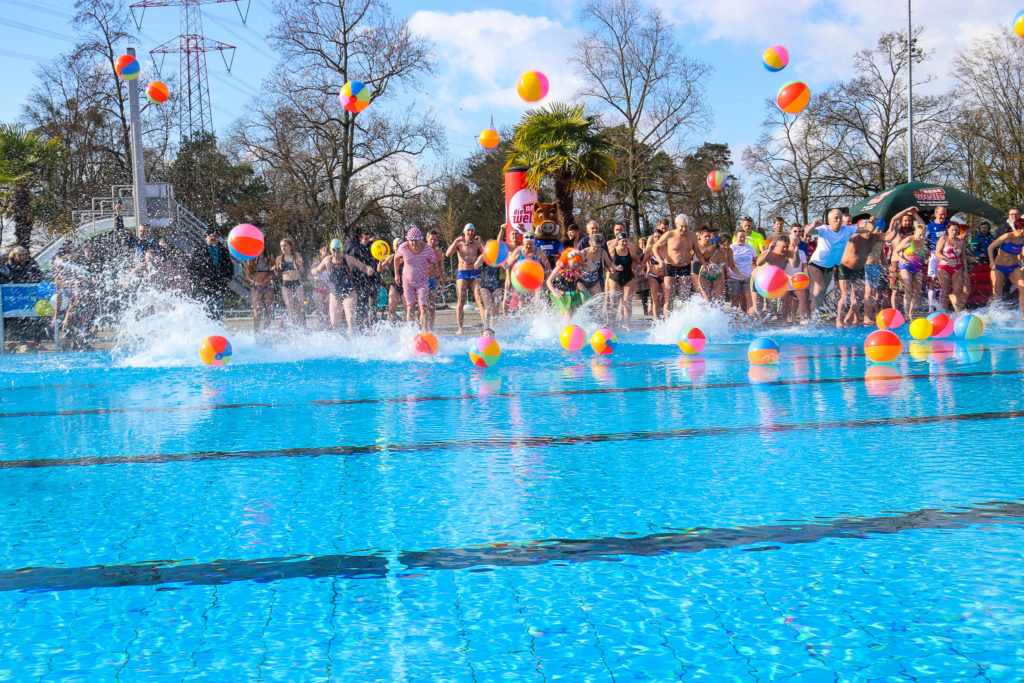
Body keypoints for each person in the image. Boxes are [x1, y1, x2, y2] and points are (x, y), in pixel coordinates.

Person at [311, 238, 377, 334]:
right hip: (334, 294)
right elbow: (318, 271)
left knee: (350, 319)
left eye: (338, 251)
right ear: (331, 251)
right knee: (334, 323)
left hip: (349, 292)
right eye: (334, 251)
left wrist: (368, 269)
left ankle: (353, 340)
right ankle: (342, 342)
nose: (336, 254)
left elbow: (362, 266)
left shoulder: (348, 259)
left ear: (341, 250)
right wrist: (313, 272)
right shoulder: (327, 260)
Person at [836, 219, 891, 327]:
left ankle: (850, 317)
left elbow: (881, 252)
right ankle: (839, 319)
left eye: (871, 230)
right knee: (845, 295)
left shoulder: (872, 239)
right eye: (866, 230)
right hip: (845, 266)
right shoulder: (854, 237)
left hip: (859, 267)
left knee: (858, 297)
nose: (869, 233)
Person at [805, 209, 858, 312]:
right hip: (816, 264)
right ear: (829, 220)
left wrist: (872, 224)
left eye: (840, 218)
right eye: (836, 218)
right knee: (819, 288)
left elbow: (866, 229)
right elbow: (809, 232)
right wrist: (813, 225)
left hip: (829, 267)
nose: (838, 220)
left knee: (823, 292)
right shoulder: (824, 229)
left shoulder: (847, 229)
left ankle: (815, 317)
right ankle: (811, 318)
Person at [653, 213, 704, 310]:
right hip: (670, 266)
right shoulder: (669, 235)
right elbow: (655, 247)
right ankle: (668, 322)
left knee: (684, 297)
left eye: (686, 227)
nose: (684, 229)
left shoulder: (692, 235)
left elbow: (697, 251)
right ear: (676, 225)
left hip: (685, 267)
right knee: (669, 297)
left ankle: (682, 321)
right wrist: (660, 260)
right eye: (682, 227)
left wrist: (704, 264)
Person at [186, 228, 235, 320]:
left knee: (218, 314)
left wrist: (228, 277)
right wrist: (199, 278)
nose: (213, 238)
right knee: (204, 313)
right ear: (206, 238)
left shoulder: (223, 250)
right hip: (204, 287)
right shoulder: (199, 250)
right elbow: (191, 268)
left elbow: (230, 266)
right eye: (211, 236)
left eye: (215, 236)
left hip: (219, 286)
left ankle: (217, 332)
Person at [394, 227, 438, 331]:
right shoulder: (403, 247)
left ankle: (424, 331)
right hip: (407, 281)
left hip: (422, 282)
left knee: (423, 307)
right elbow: (396, 258)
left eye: (416, 240)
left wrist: (436, 276)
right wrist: (397, 274)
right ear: (408, 240)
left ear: (421, 239)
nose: (414, 243)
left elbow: (434, 262)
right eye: (411, 241)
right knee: (410, 307)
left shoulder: (427, 249)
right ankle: (410, 331)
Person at [445, 223, 485, 335]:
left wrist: (481, 242)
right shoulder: (459, 243)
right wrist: (455, 241)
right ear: (464, 231)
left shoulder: (477, 244)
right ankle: (460, 328)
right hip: (462, 273)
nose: (470, 233)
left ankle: (485, 326)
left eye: (472, 231)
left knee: (479, 299)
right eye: (468, 230)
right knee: (461, 300)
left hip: (474, 272)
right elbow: (448, 254)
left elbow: (487, 254)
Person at [986, 218, 1024, 316]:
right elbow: (990, 247)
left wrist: (1021, 263)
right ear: (1017, 228)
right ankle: (991, 314)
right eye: (1021, 229)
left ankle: (1022, 316)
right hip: (999, 267)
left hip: (1014, 267)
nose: (1023, 231)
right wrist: (991, 262)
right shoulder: (1007, 236)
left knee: (1022, 289)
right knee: (996, 293)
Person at [504, 232, 550, 310]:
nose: (528, 246)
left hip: (536, 279)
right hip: (521, 280)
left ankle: (538, 319)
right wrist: (508, 278)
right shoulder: (519, 251)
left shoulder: (539, 252)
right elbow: (508, 265)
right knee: (522, 304)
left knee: (539, 301)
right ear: (523, 242)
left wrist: (548, 281)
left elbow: (547, 266)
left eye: (531, 245)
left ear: (534, 243)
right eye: (526, 245)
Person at [606, 226, 639, 330]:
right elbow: (606, 263)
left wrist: (634, 268)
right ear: (618, 241)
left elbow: (637, 260)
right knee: (614, 302)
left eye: (626, 241)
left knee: (627, 302)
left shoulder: (630, 251)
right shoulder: (612, 251)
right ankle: (611, 323)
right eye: (622, 241)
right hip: (615, 278)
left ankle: (627, 324)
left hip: (628, 277)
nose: (624, 243)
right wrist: (613, 268)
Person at [894, 223, 929, 320]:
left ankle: (911, 314)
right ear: (915, 233)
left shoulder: (922, 243)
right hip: (906, 266)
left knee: (917, 292)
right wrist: (902, 260)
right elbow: (895, 252)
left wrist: (926, 259)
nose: (922, 237)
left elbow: (921, 256)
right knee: (908, 290)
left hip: (917, 267)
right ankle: (906, 314)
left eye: (923, 235)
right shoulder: (909, 240)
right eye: (920, 234)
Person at [346, 229, 378, 329]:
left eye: (368, 238)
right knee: (359, 306)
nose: (367, 240)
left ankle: (359, 328)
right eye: (365, 238)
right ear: (360, 237)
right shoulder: (357, 248)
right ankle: (360, 328)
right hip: (357, 280)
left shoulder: (350, 244)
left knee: (358, 306)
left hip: (358, 281)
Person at [934, 222, 969, 315]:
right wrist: (947, 260)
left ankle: (956, 312)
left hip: (958, 267)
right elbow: (937, 253)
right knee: (945, 292)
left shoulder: (961, 241)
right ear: (948, 230)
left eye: (956, 230)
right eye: (952, 230)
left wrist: (965, 270)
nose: (954, 232)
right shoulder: (943, 239)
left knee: (957, 291)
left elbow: (963, 256)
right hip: (944, 266)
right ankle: (945, 312)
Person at [546, 249, 589, 320]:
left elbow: (587, 264)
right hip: (561, 294)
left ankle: (563, 326)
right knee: (568, 314)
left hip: (573, 293)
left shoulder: (577, 269)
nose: (576, 264)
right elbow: (548, 281)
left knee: (575, 313)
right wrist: (554, 292)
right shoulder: (560, 268)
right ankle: (566, 328)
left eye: (578, 262)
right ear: (568, 260)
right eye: (574, 262)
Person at [244, 245, 278, 333]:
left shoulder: (270, 259)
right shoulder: (250, 260)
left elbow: (275, 274)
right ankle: (256, 331)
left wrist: (270, 277)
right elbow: (247, 276)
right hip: (256, 287)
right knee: (257, 311)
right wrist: (255, 282)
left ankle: (267, 331)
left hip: (268, 287)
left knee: (268, 310)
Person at [641, 219, 669, 318]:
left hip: (666, 274)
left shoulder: (668, 244)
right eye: (662, 228)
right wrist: (645, 270)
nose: (657, 238)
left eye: (665, 228)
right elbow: (645, 260)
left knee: (666, 298)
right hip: (653, 274)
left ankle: (665, 318)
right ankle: (656, 320)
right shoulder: (650, 243)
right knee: (656, 298)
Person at [277, 238, 306, 327]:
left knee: (300, 308)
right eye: (281, 246)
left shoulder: (296, 255)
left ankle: (301, 327)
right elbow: (277, 274)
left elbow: (302, 271)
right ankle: (292, 327)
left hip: (297, 283)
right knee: (290, 308)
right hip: (286, 285)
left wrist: (300, 264)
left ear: (290, 246)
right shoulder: (279, 258)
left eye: (285, 245)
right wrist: (275, 270)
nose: (283, 248)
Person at [727, 229, 756, 315]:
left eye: (744, 237)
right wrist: (739, 275)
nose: (742, 238)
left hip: (748, 276)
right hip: (734, 277)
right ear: (736, 237)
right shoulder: (731, 248)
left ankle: (747, 316)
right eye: (740, 237)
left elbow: (756, 261)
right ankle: (734, 317)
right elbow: (730, 264)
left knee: (748, 297)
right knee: (735, 298)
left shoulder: (750, 248)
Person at [579, 233, 615, 298]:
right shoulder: (583, 252)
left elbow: (609, 263)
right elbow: (573, 264)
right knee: (585, 299)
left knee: (599, 300)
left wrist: (617, 268)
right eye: (594, 246)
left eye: (598, 247)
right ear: (591, 244)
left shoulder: (602, 252)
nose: (596, 249)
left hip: (594, 280)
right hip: (582, 280)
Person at [378, 239, 404, 323]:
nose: (398, 248)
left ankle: (409, 330)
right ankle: (390, 329)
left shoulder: (407, 256)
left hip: (406, 285)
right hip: (395, 285)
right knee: (391, 310)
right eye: (396, 247)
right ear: (393, 248)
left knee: (408, 310)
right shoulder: (391, 257)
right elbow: (379, 270)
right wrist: (380, 260)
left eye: (399, 246)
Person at [425, 230, 445, 330]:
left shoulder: (438, 251)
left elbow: (441, 267)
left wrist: (442, 281)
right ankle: (422, 328)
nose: (433, 241)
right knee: (422, 306)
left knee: (432, 306)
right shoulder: (422, 249)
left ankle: (431, 328)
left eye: (435, 239)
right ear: (427, 238)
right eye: (431, 239)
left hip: (433, 280)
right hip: (422, 281)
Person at [311, 246, 331, 329]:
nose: (325, 258)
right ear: (320, 256)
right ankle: (322, 328)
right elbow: (309, 276)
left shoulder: (332, 264)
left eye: (327, 256)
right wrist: (315, 277)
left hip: (329, 291)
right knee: (321, 311)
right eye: (323, 256)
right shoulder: (316, 264)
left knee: (329, 312)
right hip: (318, 290)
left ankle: (329, 328)